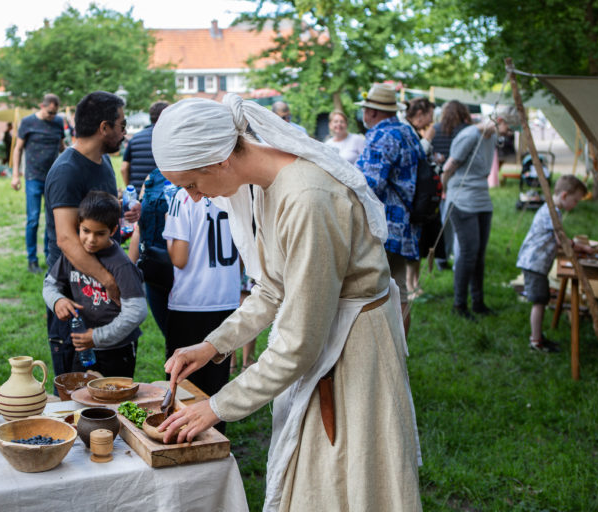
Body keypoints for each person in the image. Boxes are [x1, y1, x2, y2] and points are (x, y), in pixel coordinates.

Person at [152, 94, 421, 511]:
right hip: (324, 343)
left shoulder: (308, 199)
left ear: (220, 160)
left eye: (191, 184)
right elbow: (274, 288)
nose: (195, 198)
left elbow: (299, 343)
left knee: (342, 482)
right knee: (313, 477)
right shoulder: (266, 185)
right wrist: (212, 346)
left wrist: (217, 406)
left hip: (353, 357)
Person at [43, 90, 140, 377]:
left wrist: (123, 213)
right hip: (75, 293)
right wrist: (109, 281)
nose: (124, 133)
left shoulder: (104, 162)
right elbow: (66, 238)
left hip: (103, 290)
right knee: (76, 389)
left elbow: (99, 216)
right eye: (121, 125)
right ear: (104, 128)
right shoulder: (66, 171)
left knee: (114, 382)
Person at [43, 191, 147, 376]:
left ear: (113, 231)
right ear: (78, 226)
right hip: (83, 348)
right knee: (80, 399)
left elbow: (137, 311)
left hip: (117, 351)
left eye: (100, 234)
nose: (91, 240)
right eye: (86, 231)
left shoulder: (121, 264)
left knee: (114, 401)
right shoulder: (72, 256)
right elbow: (50, 285)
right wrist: (57, 301)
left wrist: (97, 337)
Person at [163, 188, 240, 431]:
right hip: (226, 296)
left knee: (183, 385)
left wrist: (167, 235)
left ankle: (183, 444)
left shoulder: (183, 195)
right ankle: (217, 443)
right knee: (217, 383)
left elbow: (179, 258)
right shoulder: (234, 190)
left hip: (191, 301)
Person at [357, 83, 424, 335]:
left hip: (382, 226)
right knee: (400, 293)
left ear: (372, 112)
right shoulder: (407, 132)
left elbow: (368, 184)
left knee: (371, 293)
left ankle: (382, 355)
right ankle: (400, 355)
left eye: (365, 109)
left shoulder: (380, 135)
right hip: (406, 227)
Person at [442, 105, 521, 319]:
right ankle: (459, 305)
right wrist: (445, 194)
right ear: (500, 120)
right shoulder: (469, 136)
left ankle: (478, 302)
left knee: (478, 255)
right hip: (462, 200)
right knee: (467, 254)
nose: (511, 132)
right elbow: (448, 168)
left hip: (482, 200)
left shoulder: (491, 137)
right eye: (509, 126)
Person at [516, 175, 588, 352]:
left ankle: (538, 337)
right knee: (539, 301)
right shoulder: (552, 212)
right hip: (534, 263)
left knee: (542, 299)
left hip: (536, 263)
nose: (575, 205)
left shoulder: (553, 210)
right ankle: (535, 341)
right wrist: (579, 247)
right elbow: (560, 239)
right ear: (564, 196)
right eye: (575, 201)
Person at [11, 94, 66, 274]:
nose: (52, 116)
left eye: (54, 112)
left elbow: (62, 147)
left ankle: (50, 257)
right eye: (49, 112)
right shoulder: (27, 122)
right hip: (33, 177)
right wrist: (15, 175)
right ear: (41, 106)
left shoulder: (58, 122)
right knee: (33, 219)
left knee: (52, 220)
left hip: (54, 177)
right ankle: (32, 260)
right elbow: (18, 148)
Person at [127, 168, 176, 338]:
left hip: (186, 275)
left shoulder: (198, 173)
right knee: (170, 337)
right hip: (155, 273)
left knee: (189, 339)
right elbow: (139, 229)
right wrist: (127, 273)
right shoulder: (152, 177)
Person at [403, 97, 439, 298]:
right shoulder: (406, 130)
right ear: (419, 115)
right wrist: (428, 140)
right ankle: (408, 285)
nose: (430, 122)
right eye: (429, 117)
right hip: (413, 199)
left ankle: (414, 282)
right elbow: (414, 157)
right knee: (411, 244)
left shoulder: (414, 130)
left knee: (418, 243)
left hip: (421, 198)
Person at [432, 100, 473, 270]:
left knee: (444, 222)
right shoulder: (465, 131)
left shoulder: (435, 129)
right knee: (459, 225)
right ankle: (458, 260)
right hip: (459, 180)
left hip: (439, 180)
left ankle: (441, 258)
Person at [120, 101, 169, 189]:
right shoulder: (170, 138)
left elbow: (123, 168)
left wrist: (131, 188)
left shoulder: (135, 138)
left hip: (139, 195)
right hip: (161, 196)